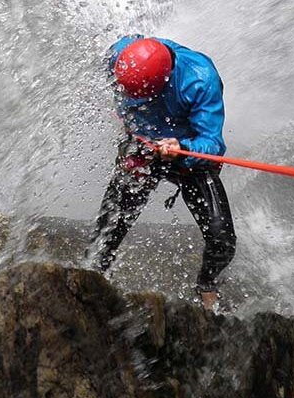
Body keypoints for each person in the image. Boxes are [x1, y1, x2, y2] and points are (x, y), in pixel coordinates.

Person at [88, 35, 236, 311]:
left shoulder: (200, 80)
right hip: (142, 148)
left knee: (222, 239)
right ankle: (93, 281)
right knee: (104, 235)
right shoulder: (121, 55)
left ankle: (206, 285)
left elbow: (213, 143)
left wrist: (183, 147)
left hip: (184, 153)